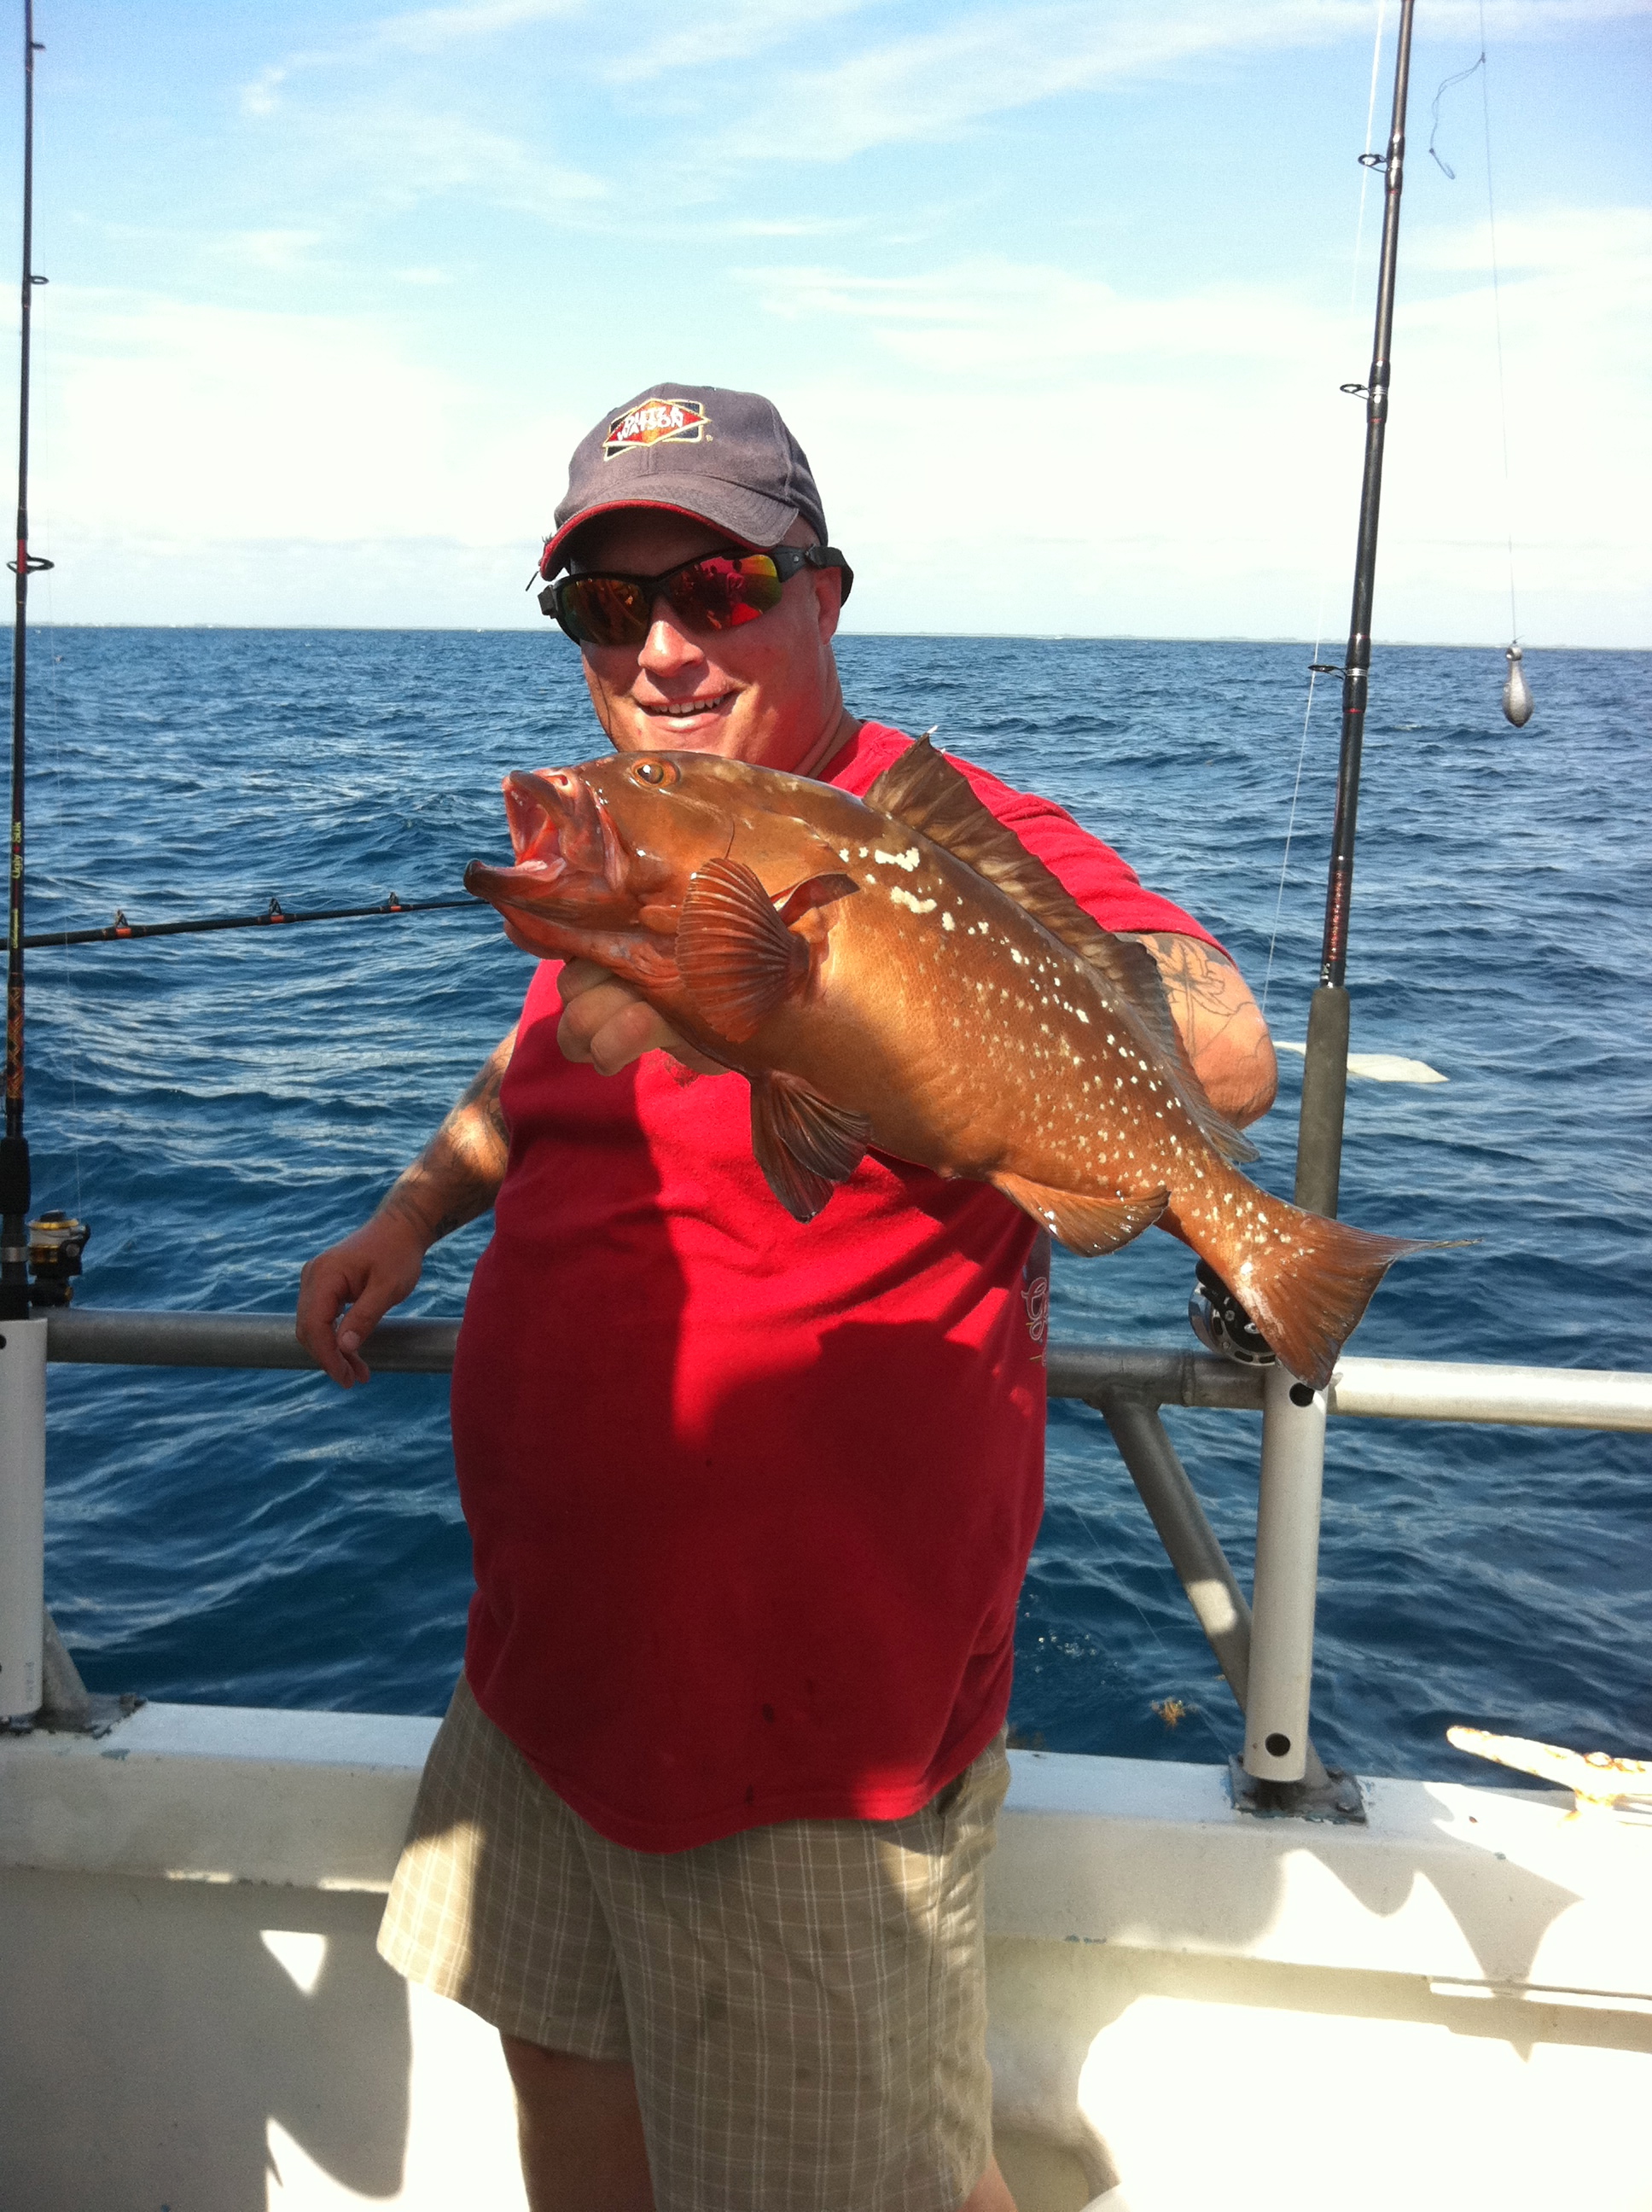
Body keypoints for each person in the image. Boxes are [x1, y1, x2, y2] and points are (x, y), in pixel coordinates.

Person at [295, 383, 1277, 2212]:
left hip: (808, 1725)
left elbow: (1221, 1053)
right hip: (545, 1675)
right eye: (606, 606)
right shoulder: (633, 836)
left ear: (822, 593)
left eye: (718, 589)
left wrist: (901, 963)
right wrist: (414, 1211)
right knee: (565, 2095)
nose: (661, 648)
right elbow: (543, 1069)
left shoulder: (937, 832)